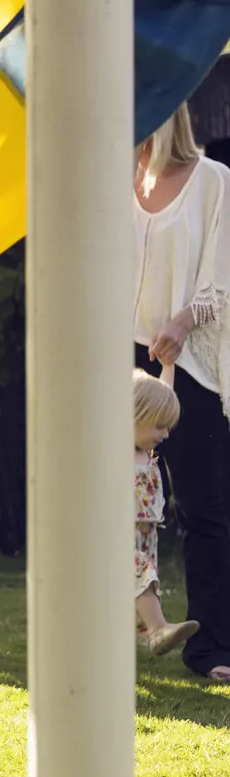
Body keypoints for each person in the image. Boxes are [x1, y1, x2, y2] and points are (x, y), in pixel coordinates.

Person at [133, 100, 230, 681]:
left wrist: (183, 322)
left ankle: (212, 648)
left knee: (204, 511)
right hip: (122, 364)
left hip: (187, 361)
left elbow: (222, 275)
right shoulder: (117, 179)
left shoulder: (215, 182)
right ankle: (135, 625)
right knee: (109, 504)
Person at [133, 368, 199, 656]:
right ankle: (158, 629)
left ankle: (141, 634)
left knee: (139, 588)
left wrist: (168, 366)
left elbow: (162, 395)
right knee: (138, 577)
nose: (166, 433)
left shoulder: (145, 452)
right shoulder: (116, 449)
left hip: (146, 540)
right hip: (119, 536)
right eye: (160, 426)